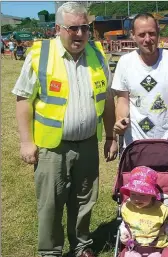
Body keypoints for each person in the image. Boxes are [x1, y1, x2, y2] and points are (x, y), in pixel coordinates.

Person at [12, 2, 117, 257]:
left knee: (84, 200)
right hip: (52, 147)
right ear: (58, 28)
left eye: (84, 28)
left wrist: (111, 136)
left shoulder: (97, 55)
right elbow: (24, 99)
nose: (79, 34)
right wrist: (27, 142)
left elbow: (108, 97)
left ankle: (81, 246)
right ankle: (50, 251)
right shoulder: (40, 55)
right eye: (73, 28)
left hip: (88, 143)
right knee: (51, 204)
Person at [112, 13, 168, 148]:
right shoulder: (125, 62)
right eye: (141, 34)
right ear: (133, 35)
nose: (147, 39)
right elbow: (123, 99)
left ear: (158, 33)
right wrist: (120, 120)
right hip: (135, 143)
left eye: (152, 33)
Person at [119, 166, 168, 257]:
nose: (137, 199)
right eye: (133, 194)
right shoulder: (128, 208)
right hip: (133, 248)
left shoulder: (161, 210)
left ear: (152, 195)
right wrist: (124, 235)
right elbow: (125, 224)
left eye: (142, 195)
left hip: (158, 250)